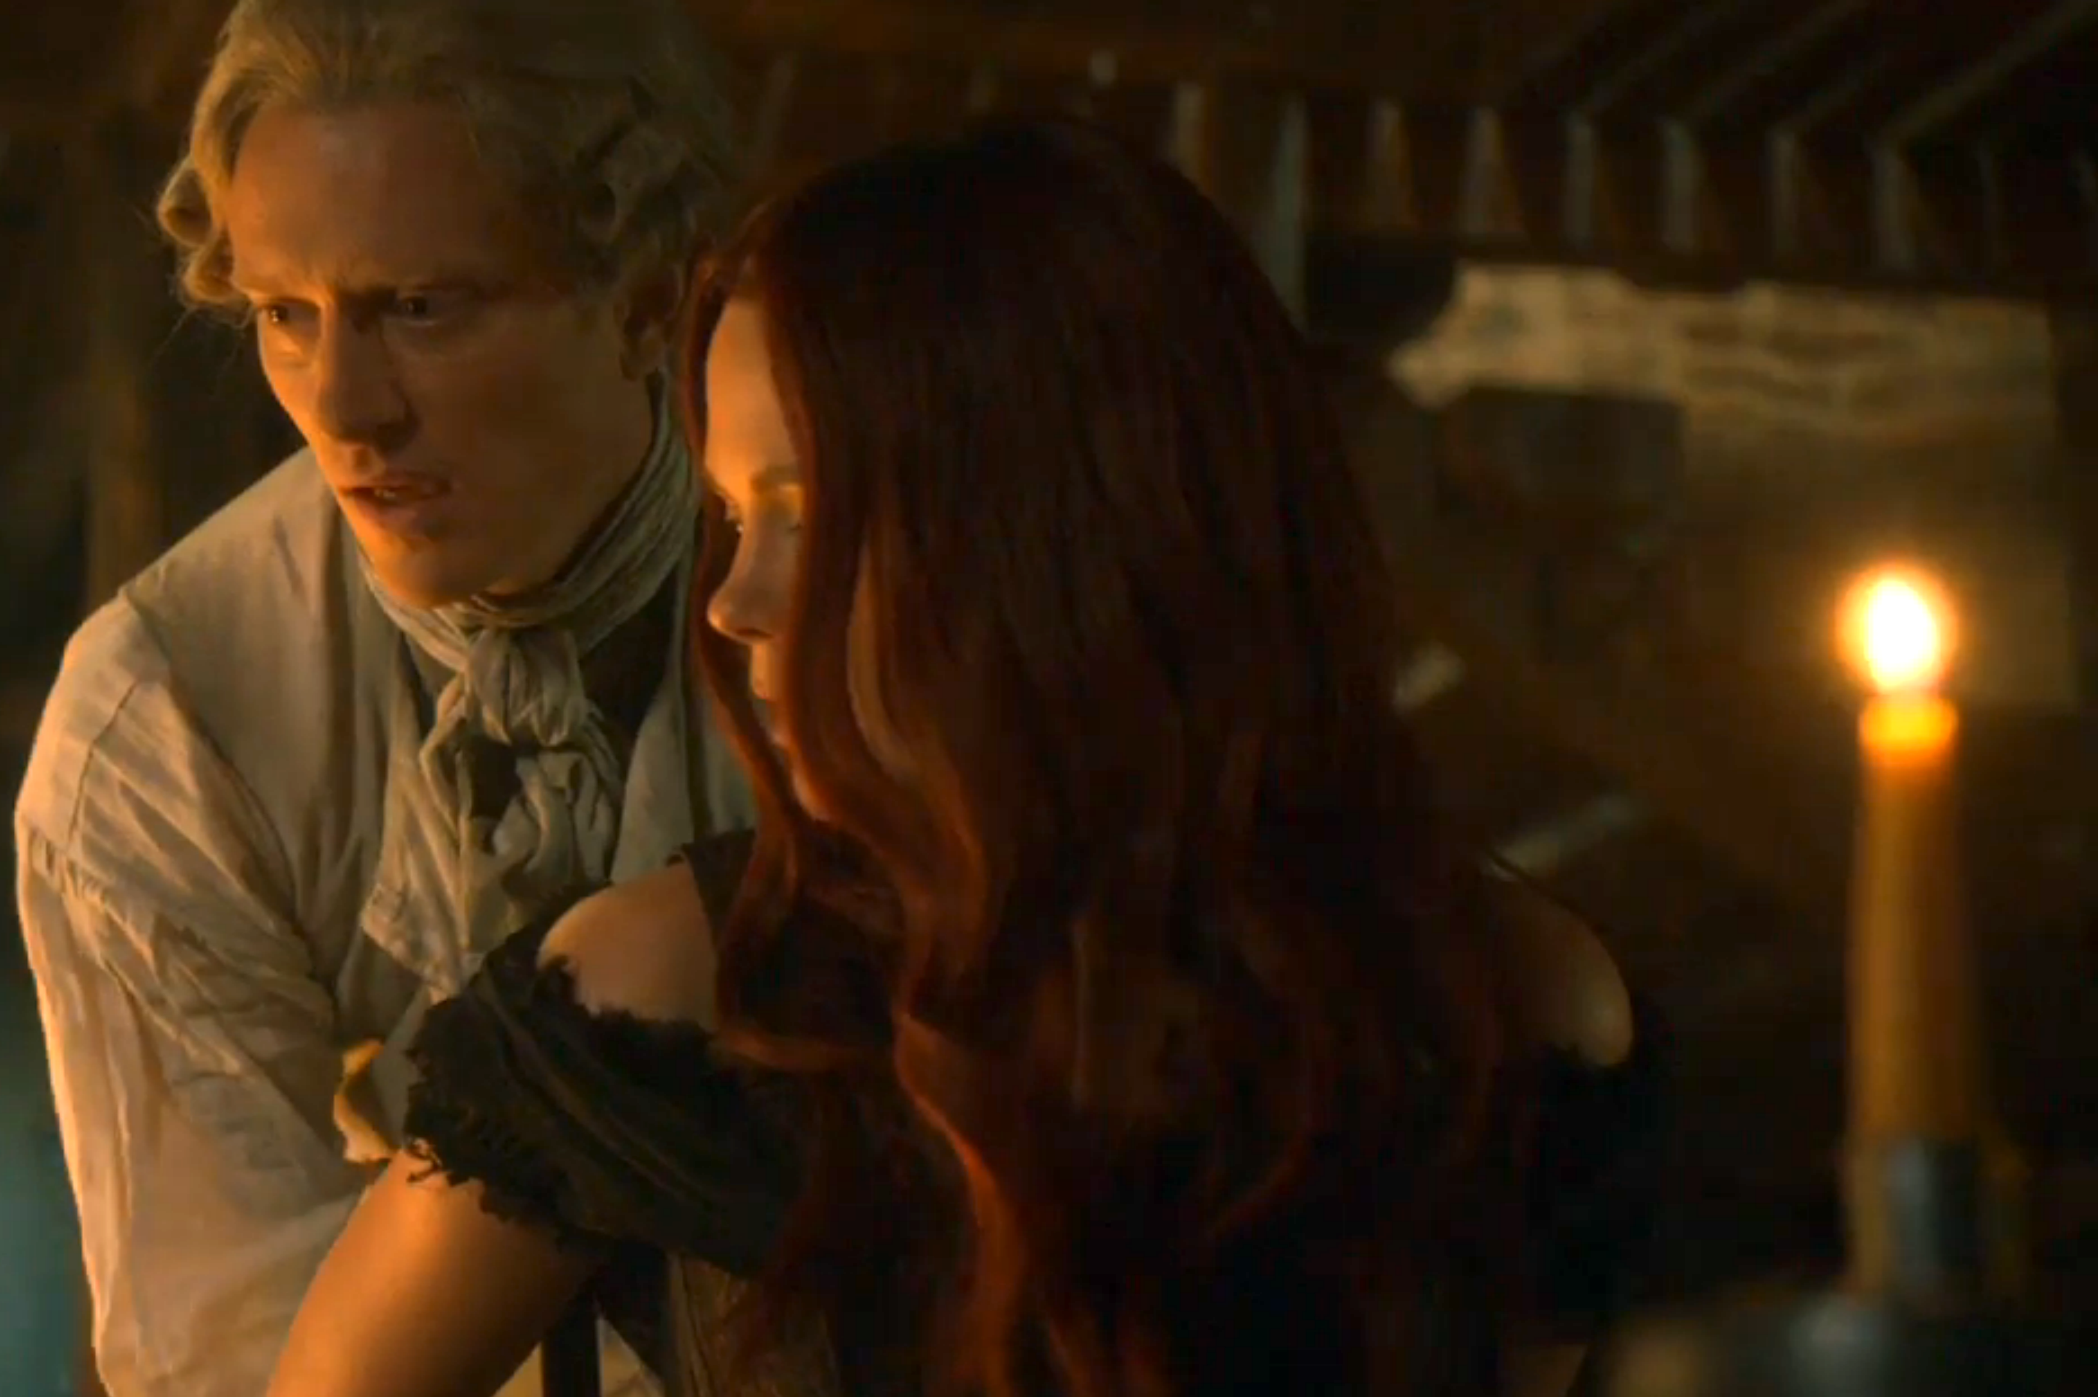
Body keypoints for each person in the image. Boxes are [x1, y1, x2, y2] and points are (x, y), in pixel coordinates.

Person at [264, 116, 1664, 1397]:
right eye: (732, 518)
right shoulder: (670, 999)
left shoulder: (1502, 1007)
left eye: (807, 513)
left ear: (1050, 529)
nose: (734, 603)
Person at [9, 0, 750, 1392]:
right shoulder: (166, 722)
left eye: (421, 308)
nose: (345, 409)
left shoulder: (860, 598)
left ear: (647, 300)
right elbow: (233, 1340)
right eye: (285, 316)